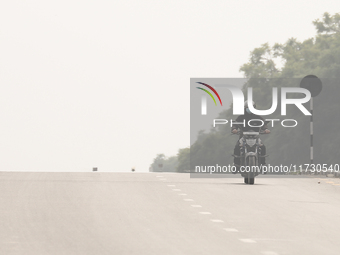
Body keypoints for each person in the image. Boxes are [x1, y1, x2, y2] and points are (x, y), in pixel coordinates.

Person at [231, 100, 270, 172]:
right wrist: (234, 129)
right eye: (248, 108)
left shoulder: (258, 117)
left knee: (262, 147)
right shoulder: (241, 117)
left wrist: (266, 129)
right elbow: (235, 124)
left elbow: (263, 123)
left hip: (256, 137)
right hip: (243, 137)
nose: (249, 109)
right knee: (237, 147)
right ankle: (236, 165)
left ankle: (263, 165)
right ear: (245, 108)